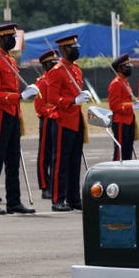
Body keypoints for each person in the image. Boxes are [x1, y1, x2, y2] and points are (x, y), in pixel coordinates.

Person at [0, 23, 37, 215]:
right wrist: (20, 97)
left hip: (13, 113)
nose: (13, 40)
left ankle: (13, 201)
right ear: (1, 39)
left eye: (14, 37)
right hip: (0, 113)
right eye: (10, 37)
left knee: (13, 160)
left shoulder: (10, 61)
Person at [46, 34, 88, 211]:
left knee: (74, 161)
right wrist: (72, 101)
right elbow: (52, 97)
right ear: (63, 50)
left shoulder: (76, 69)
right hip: (63, 120)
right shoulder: (57, 71)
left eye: (76, 47)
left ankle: (73, 198)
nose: (75, 50)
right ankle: (58, 199)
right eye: (71, 47)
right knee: (60, 162)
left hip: (76, 120)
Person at [34, 49, 58, 199]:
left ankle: (55, 184)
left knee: (56, 153)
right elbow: (39, 107)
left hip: (58, 118)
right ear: (45, 65)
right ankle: (44, 186)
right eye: (52, 63)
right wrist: (51, 113)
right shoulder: (41, 82)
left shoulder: (57, 79)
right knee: (45, 154)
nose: (55, 65)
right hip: (48, 119)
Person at [107, 53, 139, 161]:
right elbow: (114, 106)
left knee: (127, 151)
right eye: (127, 66)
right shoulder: (116, 83)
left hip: (129, 121)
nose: (129, 68)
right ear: (119, 68)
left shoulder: (125, 82)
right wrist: (132, 107)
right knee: (120, 152)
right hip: (120, 122)